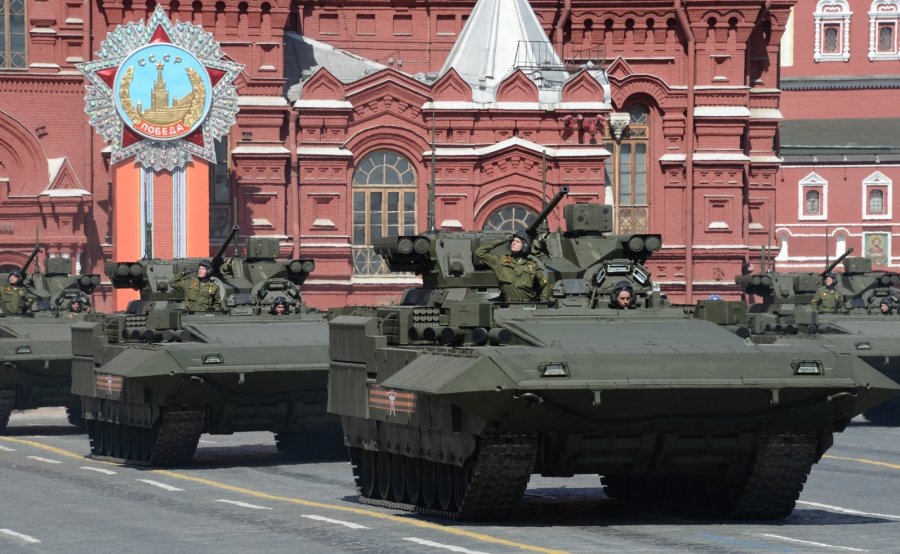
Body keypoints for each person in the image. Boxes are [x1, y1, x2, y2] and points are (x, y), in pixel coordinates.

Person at [474, 230, 551, 302]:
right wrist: (501, 240)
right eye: (513, 241)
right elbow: (479, 252)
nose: (514, 243)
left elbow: (544, 283)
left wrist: (544, 300)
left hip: (528, 305)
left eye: (517, 241)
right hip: (509, 305)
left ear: (524, 245)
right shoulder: (500, 261)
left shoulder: (532, 264)